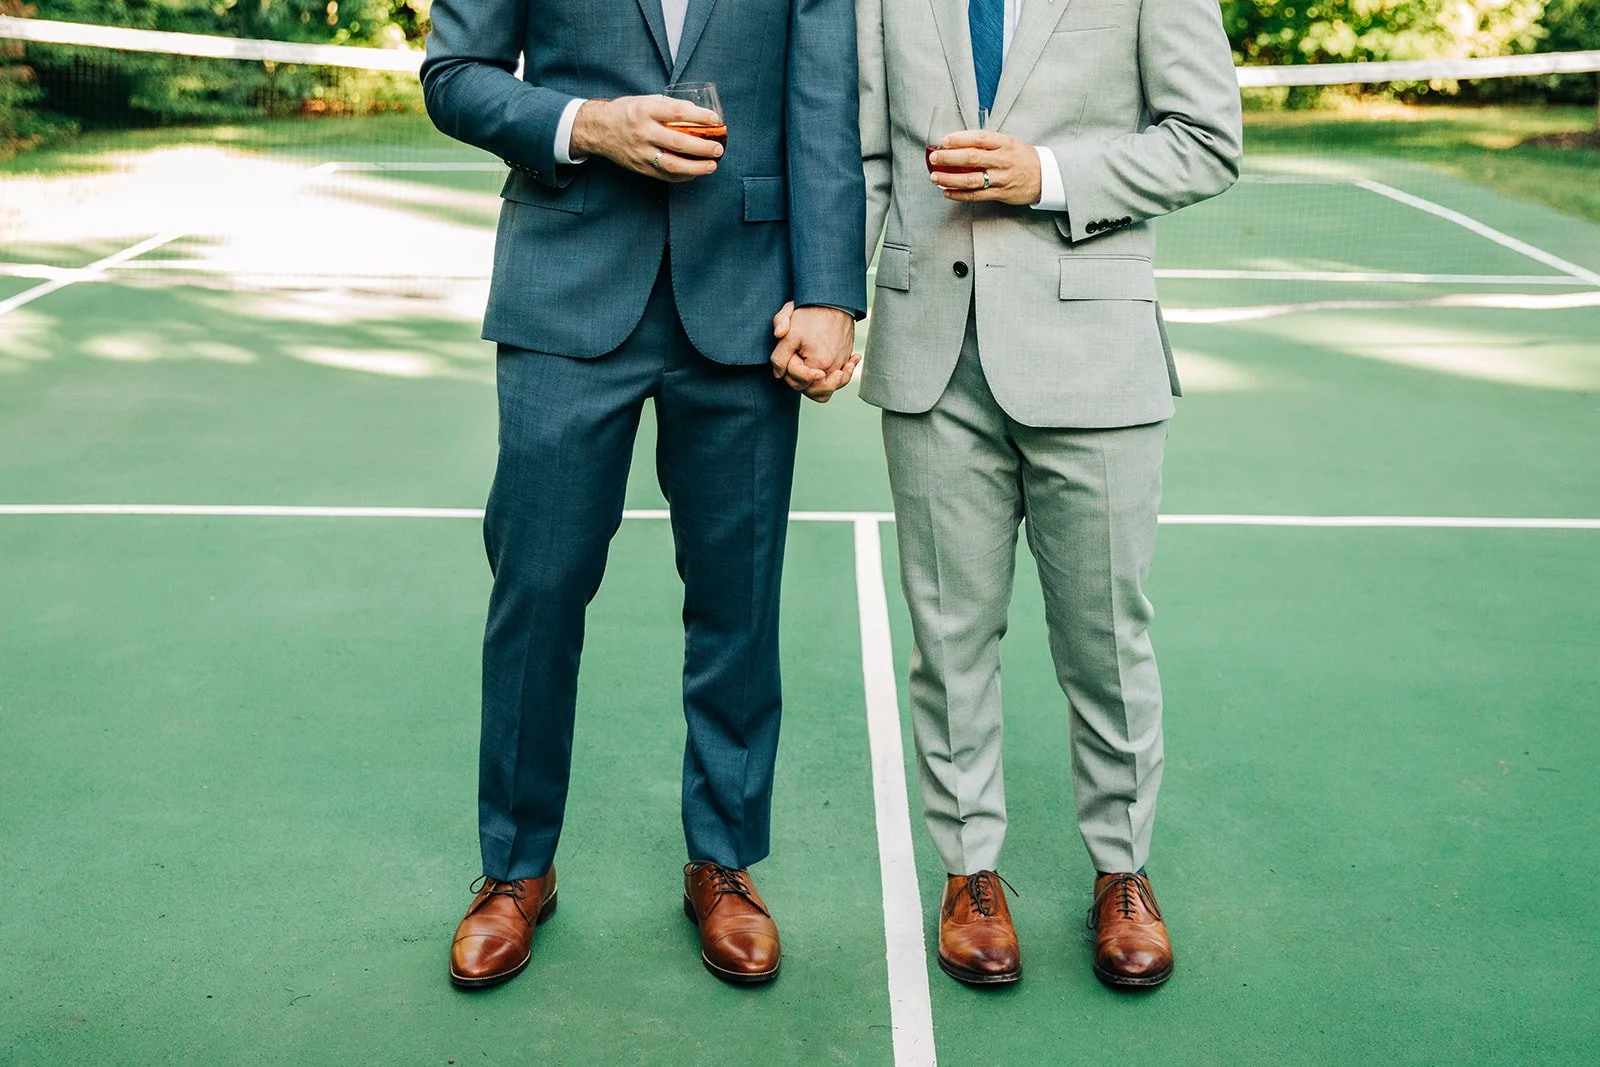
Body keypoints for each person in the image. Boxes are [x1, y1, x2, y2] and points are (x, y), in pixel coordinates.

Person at [779, 0, 1241, 987]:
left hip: (1095, 354)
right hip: (930, 354)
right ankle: (969, 874)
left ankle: (1121, 871)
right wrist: (832, 295)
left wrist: (1053, 176)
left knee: (1105, 639)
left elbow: (1206, 140)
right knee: (948, 639)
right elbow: (862, 158)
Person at [420, 0, 866, 989]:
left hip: (747, 299)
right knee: (534, 594)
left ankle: (724, 862)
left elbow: (827, 100)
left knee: (737, 600)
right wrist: (588, 124)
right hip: (563, 289)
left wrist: (831, 290)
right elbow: (453, 77)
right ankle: (515, 869)